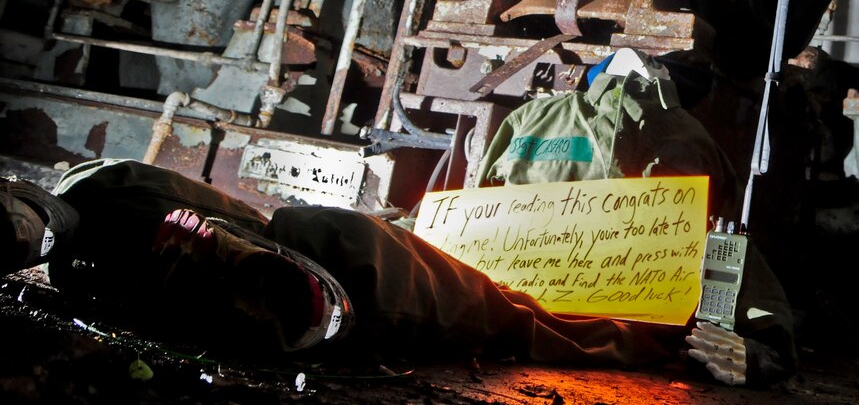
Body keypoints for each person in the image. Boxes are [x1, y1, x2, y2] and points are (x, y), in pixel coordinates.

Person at [0, 61, 796, 387]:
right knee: (321, 234)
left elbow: (741, 305)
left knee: (342, 244)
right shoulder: (566, 135)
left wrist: (750, 352)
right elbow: (465, 221)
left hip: (506, 302)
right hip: (480, 272)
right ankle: (91, 211)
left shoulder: (673, 178)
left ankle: (92, 223)